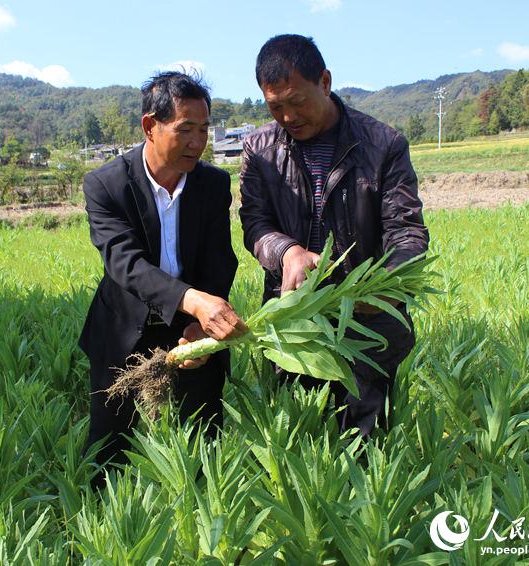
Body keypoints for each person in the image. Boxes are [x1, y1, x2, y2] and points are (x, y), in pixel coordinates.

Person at [239, 34, 429, 436]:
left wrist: (386, 287)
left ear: (324, 82)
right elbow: (255, 223)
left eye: (297, 101)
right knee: (301, 437)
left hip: (366, 322)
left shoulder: (383, 144)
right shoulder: (259, 148)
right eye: (275, 107)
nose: (288, 116)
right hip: (294, 321)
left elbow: (406, 231)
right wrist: (287, 252)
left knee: (366, 438)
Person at [79, 71, 246, 483]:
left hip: (190, 326)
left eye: (204, 129)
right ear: (150, 127)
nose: (198, 141)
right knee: (109, 442)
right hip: (124, 327)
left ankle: (204, 516)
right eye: (185, 129)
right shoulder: (107, 185)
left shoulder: (212, 184)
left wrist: (199, 325)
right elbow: (125, 264)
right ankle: (100, 523)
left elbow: (219, 260)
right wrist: (193, 300)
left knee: (203, 436)